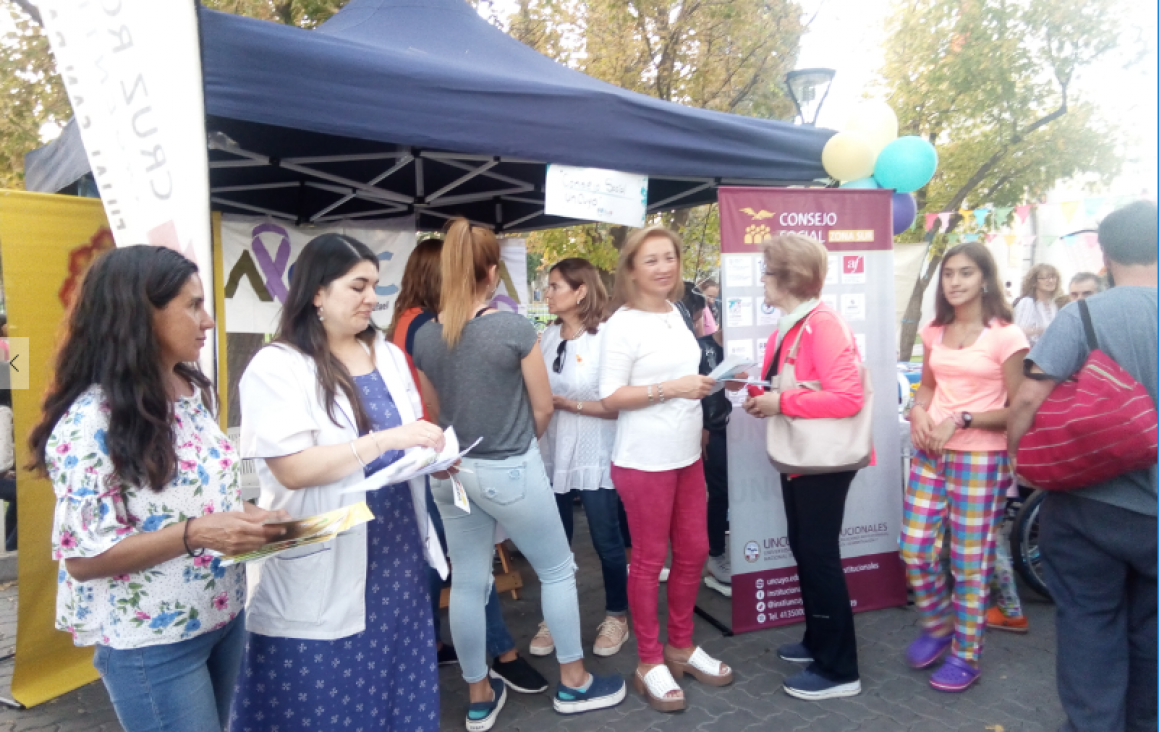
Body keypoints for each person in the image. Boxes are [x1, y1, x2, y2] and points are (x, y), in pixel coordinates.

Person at [29, 246, 286, 732]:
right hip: (155, 643)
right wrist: (196, 533)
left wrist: (251, 517)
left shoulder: (188, 391)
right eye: (192, 305)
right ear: (138, 313)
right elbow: (84, 559)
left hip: (222, 616)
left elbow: (199, 496)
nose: (206, 321)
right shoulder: (89, 423)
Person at [413, 218, 625, 730]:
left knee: (467, 582)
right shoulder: (512, 328)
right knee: (557, 570)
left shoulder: (425, 335)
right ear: (491, 272)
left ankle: (479, 695)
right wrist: (513, 435)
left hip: (451, 473)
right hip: (510, 467)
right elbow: (543, 407)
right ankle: (573, 681)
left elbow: (435, 412)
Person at [232, 234, 446, 730]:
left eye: (374, 284)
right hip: (322, 544)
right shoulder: (278, 365)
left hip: (395, 548)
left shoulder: (386, 354)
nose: (373, 297)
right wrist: (382, 441)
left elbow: (408, 435)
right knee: (321, 690)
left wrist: (432, 451)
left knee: (396, 678)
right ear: (317, 294)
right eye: (358, 285)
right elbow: (292, 468)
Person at [1008, 200, 1157, 732]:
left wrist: (1020, 462)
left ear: (1107, 254)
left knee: (1090, 622)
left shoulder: (1085, 313)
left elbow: (1028, 396)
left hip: (1087, 504)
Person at [387, 237, 547, 693]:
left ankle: (441, 652)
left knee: (452, 562)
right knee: (469, 567)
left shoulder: (409, 323)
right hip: (443, 459)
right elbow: (438, 403)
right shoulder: (425, 327)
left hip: (431, 458)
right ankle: (502, 656)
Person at [599, 226, 732, 713]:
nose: (663, 267)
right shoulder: (622, 323)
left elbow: (689, 378)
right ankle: (649, 660)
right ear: (631, 268)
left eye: (669, 257)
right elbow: (611, 396)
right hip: (643, 461)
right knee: (651, 559)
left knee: (695, 551)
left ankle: (680, 646)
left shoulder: (678, 313)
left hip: (686, 456)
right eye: (651, 259)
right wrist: (672, 389)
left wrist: (707, 388)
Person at [901, 242, 1028, 692]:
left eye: (966, 273)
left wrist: (963, 419)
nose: (954, 282)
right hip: (931, 452)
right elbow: (927, 388)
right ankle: (937, 625)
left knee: (968, 562)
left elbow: (1020, 407)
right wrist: (918, 413)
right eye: (949, 274)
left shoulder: (1005, 335)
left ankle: (966, 654)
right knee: (914, 547)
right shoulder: (935, 330)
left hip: (981, 457)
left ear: (985, 279)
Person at [742, 234, 866, 701]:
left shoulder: (822, 324)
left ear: (790, 277)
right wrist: (762, 396)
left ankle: (840, 670)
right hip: (802, 456)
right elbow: (790, 388)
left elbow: (848, 396)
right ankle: (819, 642)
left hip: (824, 461)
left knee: (818, 555)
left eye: (768, 271)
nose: (762, 280)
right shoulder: (790, 324)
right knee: (806, 549)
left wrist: (782, 401)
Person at [532, 257, 630, 658]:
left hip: (596, 451)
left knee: (607, 540)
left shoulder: (607, 336)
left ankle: (617, 616)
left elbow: (619, 405)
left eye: (555, 286)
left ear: (581, 291)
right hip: (554, 451)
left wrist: (567, 404)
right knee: (556, 542)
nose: (548, 293)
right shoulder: (546, 338)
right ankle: (555, 617)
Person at [676, 284, 733, 597]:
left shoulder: (758, 346)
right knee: (720, 492)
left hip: (750, 427)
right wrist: (703, 428)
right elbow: (693, 394)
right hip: (714, 431)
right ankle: (716, 555)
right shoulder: (701, 348)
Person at [1013, 263, 1064, 347]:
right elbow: (1018, 332)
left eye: (1053, 277)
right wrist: (1042, 330)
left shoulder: (1053, 305)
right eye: (1045, 278)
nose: (1050, 280)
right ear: (1034, 282)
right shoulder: (1027, 302)